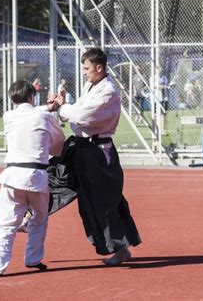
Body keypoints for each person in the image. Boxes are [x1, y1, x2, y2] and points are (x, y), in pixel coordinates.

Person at [48, 47, 141, 266]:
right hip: (81, 147)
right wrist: (63, 108)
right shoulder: (91, 85)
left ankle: (121, 248)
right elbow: (75, 115)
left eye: (87, 68)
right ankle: (30, 213)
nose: (84, 72)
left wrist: (63, 107)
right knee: (66, 184)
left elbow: (81, 115)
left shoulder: (108, 91)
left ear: (99, 68)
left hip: (98, 151)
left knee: (105, 201)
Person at [0, 80, 65, 277]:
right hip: (38, 176)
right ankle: (33, 259)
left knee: (4, 223)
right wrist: (53, 108)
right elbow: (58, 146)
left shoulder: (8, 116)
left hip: (12, 176)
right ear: (32, 96)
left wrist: (48, 107)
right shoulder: (44, 117)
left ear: (12, 98)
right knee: (39, 219)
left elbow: (28, 111)